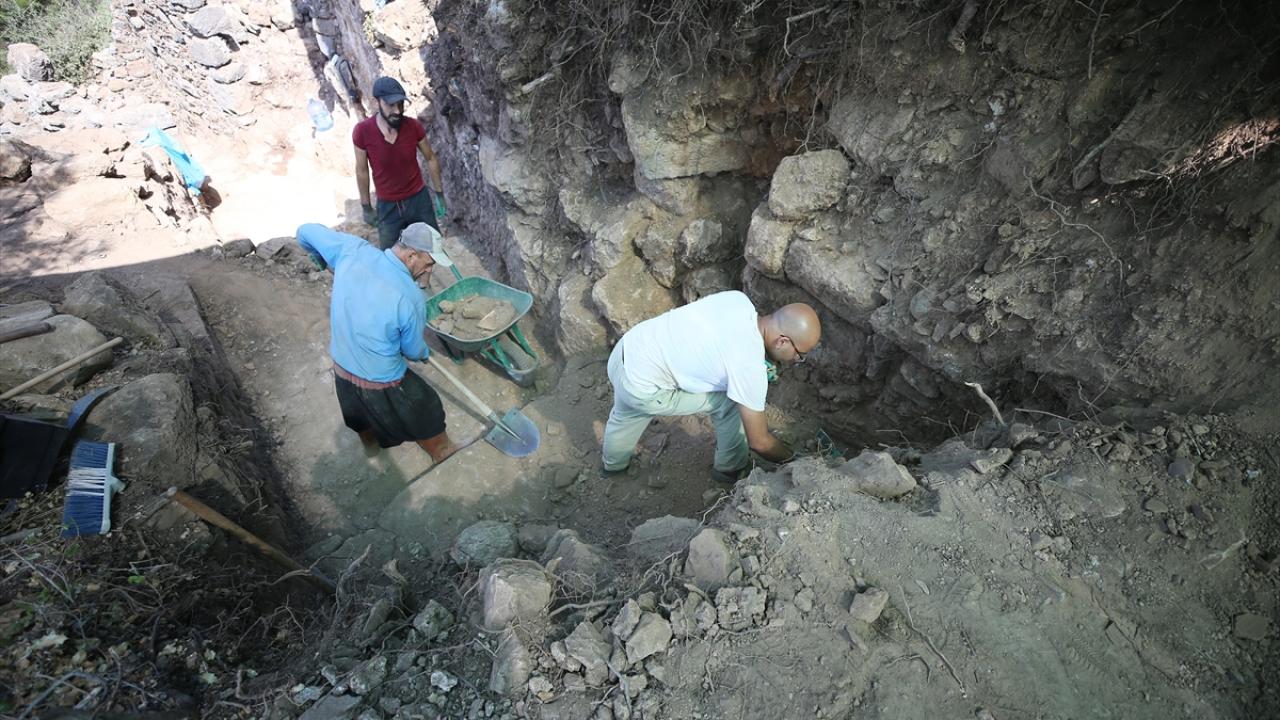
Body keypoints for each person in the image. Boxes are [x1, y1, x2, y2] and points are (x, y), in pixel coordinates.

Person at [600, 291, 821, 484]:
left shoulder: (738, 300)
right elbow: (760, 442)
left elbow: (722, 340)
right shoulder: (749, 367)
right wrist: (795, 461)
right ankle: (730, 469)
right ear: (782, 341)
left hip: (627, 351)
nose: (795, 359)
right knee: (732, 402)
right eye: (799, 354)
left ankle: (613, 466)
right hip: (643, 390)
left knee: (626, 413)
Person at [297, 221, 457, 462]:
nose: (429, 271)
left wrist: (319, 256)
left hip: (341, 367)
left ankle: (372, 451)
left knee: (358, 417)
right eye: (429, 263)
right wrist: (425, 353)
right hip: (381, 379)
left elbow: (304, 231)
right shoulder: (411, 298)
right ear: (411, 255)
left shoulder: (352, 249)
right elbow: (412, 351)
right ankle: (443, 453)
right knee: (428, 407)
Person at [354, 76, 448, 250]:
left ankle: (424, 275)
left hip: (418, 200)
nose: (397, 111)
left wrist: (439, 194)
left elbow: (430, 158)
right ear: (377, 102)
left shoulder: (413, 126)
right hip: (388, 205)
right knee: (391, 256)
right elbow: (362, 171)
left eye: (400, 104)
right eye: (391, 105)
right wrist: (366, 206)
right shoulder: (363, 132)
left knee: (432, 248)